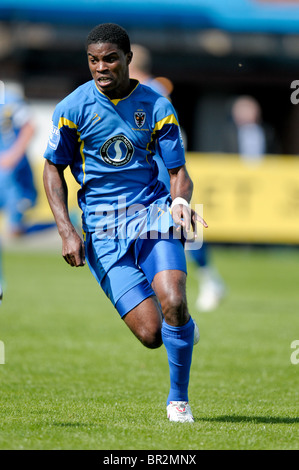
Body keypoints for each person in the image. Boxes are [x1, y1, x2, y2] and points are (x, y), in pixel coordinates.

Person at [43, 23, 207, 423]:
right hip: (102, 231)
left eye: (110, 58)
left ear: (128, 59)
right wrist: (67, 230)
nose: (101, 67)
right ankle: (179, 325)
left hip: (152, 215)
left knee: (173, 297)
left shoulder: (156, 105)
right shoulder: (72, 110)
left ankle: (178, 401)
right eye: (94, 60)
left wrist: (181, 202)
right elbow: (52, 169)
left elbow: (177, 171)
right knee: (152, 334)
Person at [130, 44, 224, 312]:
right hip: (150, 170)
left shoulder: (153, 93)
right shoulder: (139, 93)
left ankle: (208, 279)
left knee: (180, 224)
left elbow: (172, 136)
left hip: (159, 170)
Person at [0, 83, 38, 296]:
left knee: (14, 232)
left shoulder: (8, 96)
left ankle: (64, 221)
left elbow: (30, 126)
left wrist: (13, 155)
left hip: (12, 177)